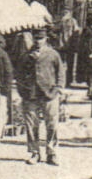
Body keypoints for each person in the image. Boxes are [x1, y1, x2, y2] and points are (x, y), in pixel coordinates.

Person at [16, 30, 65, 165]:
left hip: (49, 94)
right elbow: (18, 74)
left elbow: (60, 72)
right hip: (31, 94)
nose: (38, 41)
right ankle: (34, 152)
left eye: (41, 38)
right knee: (31, 125)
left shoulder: (53, 54)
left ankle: (52, 152)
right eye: (36, 39)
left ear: (46, 39)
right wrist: (22, 90)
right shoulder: (25, 56)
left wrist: (58, 88)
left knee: (52, 124)